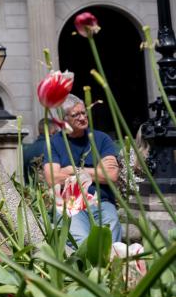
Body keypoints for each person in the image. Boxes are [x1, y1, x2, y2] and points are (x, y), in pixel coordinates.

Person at [39, 94, 122, 245]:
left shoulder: (101, 139)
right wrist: (95, 172)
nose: (83, 118)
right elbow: (53, 179)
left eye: (84, 113)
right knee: (80, 241)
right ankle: (88, 269)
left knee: (110, 239)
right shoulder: (55, 143)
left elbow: (110, 175)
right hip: (70, 204)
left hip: (101, 202)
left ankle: (110, 268)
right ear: (64, 119)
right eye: (76, 115)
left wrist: (73, 170)